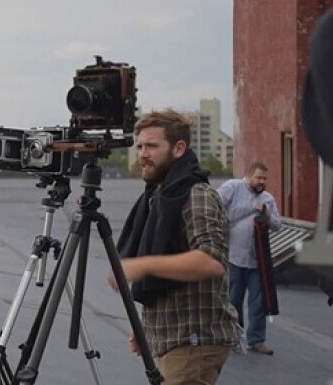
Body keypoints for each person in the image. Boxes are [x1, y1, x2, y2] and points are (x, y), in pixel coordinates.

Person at [112, 109, 238, 385]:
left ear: (179, 148)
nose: (143, 153)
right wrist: (146, 326)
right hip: (172, 338)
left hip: (194, 342)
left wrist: (143, 265)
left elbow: (212, 262)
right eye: (140, 146)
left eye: (152, 146)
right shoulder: (160, 196)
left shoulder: (197, 196)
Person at [217, 162, 281, 356]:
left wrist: (267, 213)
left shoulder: (268, 198)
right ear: (249, 176)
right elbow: (216, 202)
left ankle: (257, 340)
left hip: (257, 260)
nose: (262, 182)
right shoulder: (233, 187)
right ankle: (235, 336)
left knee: (258, 301)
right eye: (259, 178)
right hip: (234, 257)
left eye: (265, 179)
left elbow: (277, 225)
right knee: (234, 300)